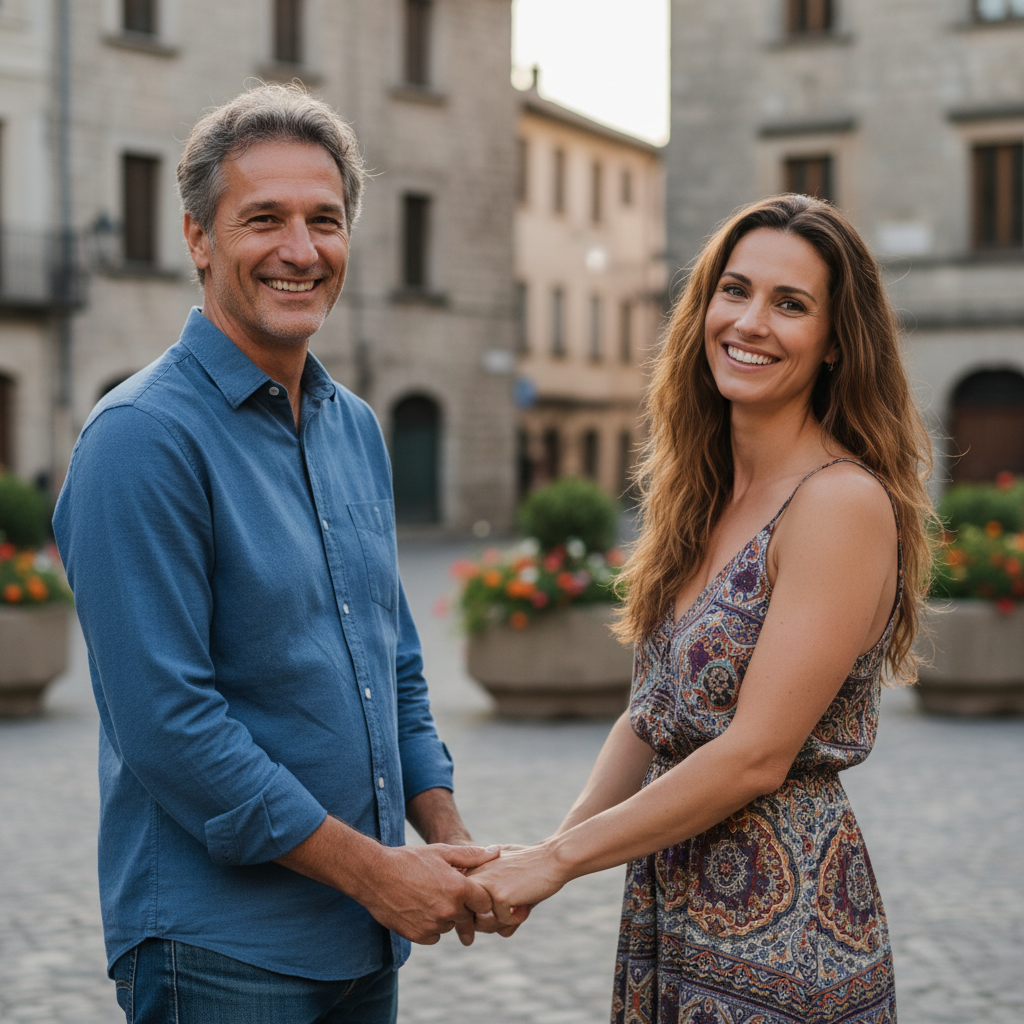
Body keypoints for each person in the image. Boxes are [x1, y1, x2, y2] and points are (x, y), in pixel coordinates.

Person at [53, 84, 507, 1024]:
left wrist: (450, 839)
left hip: (358, 945)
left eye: (325, 220)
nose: (301, 250)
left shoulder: (356, 430)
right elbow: (171, 726)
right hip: (218, 951)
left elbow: (397, 671)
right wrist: (379, 875)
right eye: (265, 218)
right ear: (198, 238)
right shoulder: (141, 438)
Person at [472, 194, 934, 1022]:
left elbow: (756, 754)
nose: (751, 322)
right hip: (673, 902)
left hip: (784, 925)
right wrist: (543, 853)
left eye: (791, 305)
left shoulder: (839, 503)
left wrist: (559, 863)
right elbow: (647, 719)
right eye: (736, 290)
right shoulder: (705, 496)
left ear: (835, 345)